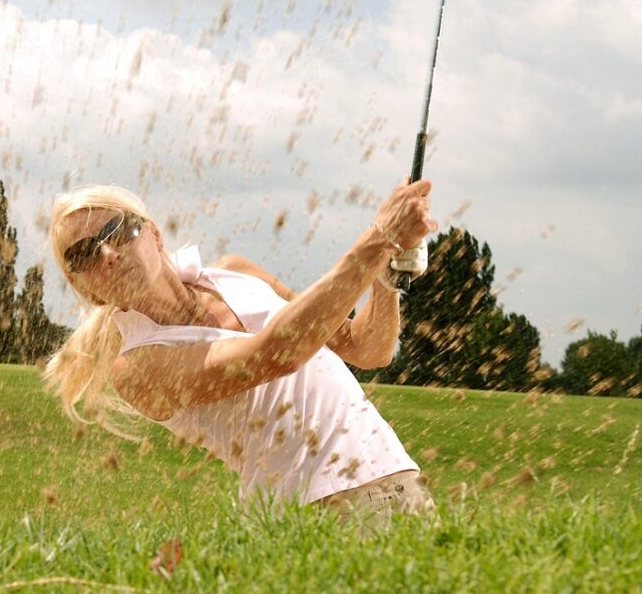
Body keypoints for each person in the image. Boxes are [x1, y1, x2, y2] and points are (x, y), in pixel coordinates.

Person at [42, 179, 438, 525]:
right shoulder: (136, 366)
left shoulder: (235, 270)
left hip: (397, 478)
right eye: (84, 254)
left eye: (117, 231)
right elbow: (278, 353)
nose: (108, 254)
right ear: (86, 289)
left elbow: (367, 347)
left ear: (154, 234)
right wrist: (379, 238)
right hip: (315, 510)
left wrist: (388, 272)